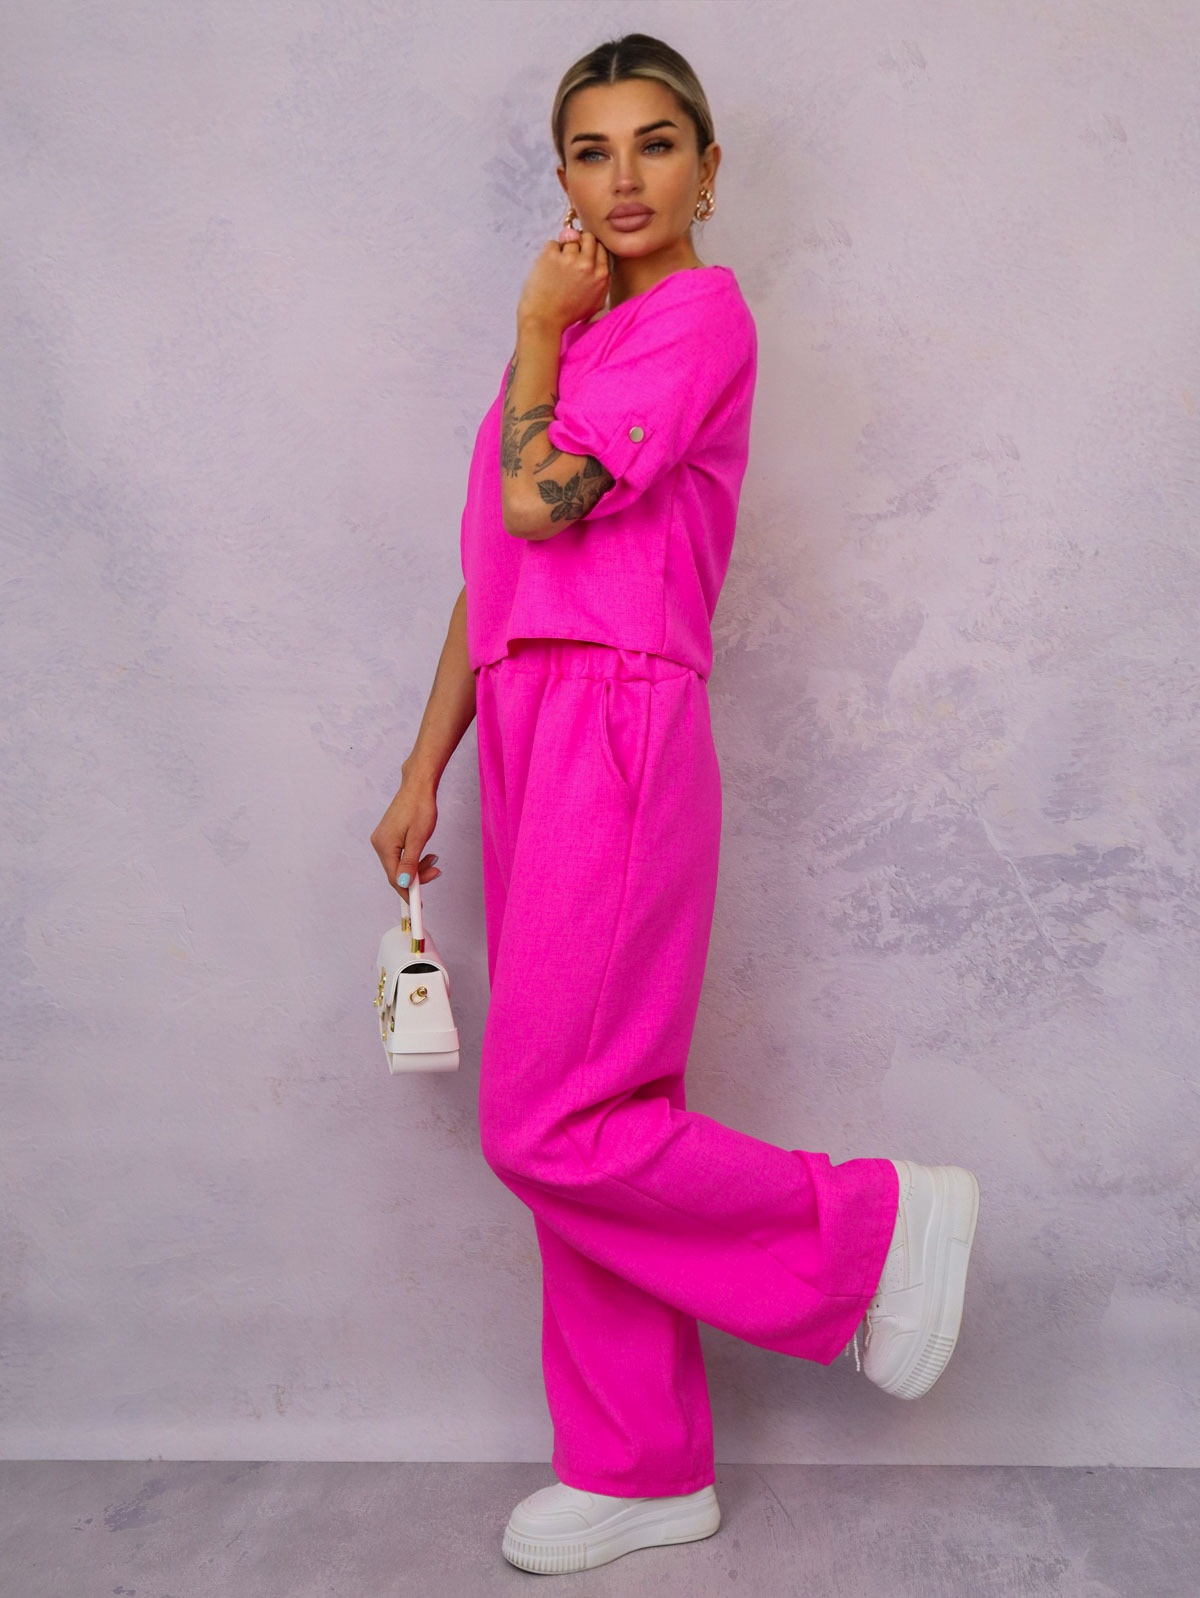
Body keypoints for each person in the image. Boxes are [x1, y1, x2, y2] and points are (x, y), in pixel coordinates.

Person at [370, 31, 980, 1577]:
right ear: (563, 175)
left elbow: (539, 499)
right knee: (598, 1110)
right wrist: (422, 765)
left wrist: (532, 326)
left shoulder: (697, 320)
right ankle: (638, 1465)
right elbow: (493, 567)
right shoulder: (576, 340)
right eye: (592, 149)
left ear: (709, 169)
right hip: (527, 720)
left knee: (549, 1120)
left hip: (618, 712)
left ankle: (869, 1231)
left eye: (656, 143)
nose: (624, 177)